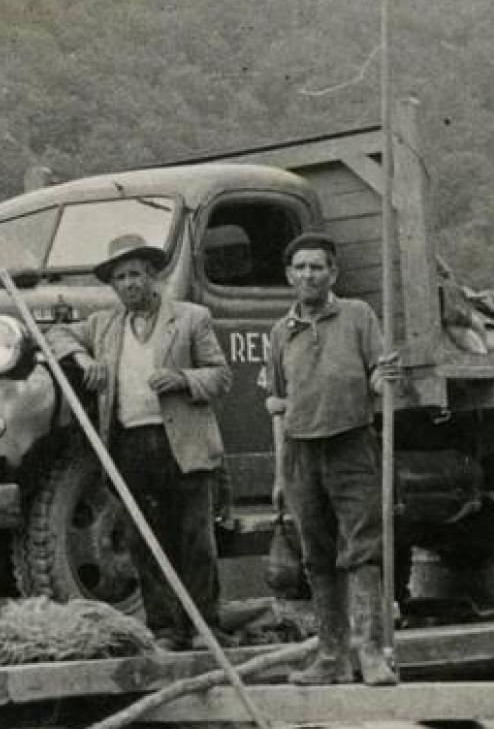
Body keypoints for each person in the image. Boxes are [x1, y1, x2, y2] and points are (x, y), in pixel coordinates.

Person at [46, 233, 231, 651]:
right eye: (121, 278)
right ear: (113, 287)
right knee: (145, 541)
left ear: (153, 278)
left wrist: (182, 379)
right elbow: (57, 335)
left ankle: (205, 627)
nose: (129, 284)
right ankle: (165, 629)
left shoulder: (190, 319)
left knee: (194, 540)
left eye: (136, 275)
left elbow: (221, 377)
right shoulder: (104, 325)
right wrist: (84, 359)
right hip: (130, 445)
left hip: (181, 444)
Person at [264, 232, 400, 686]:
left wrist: (385, 378)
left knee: (362, 548)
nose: (308, 274)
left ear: (333, 274)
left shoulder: (359, 316)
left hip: (351, 443)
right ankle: (331, 657)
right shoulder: (281, 332)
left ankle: (373, 654)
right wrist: (281, 470)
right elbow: (279, 404)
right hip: (302, 450)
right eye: (300, 267)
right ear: (289, 276)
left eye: (317, 267)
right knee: (317, 556)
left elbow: (377, 376)